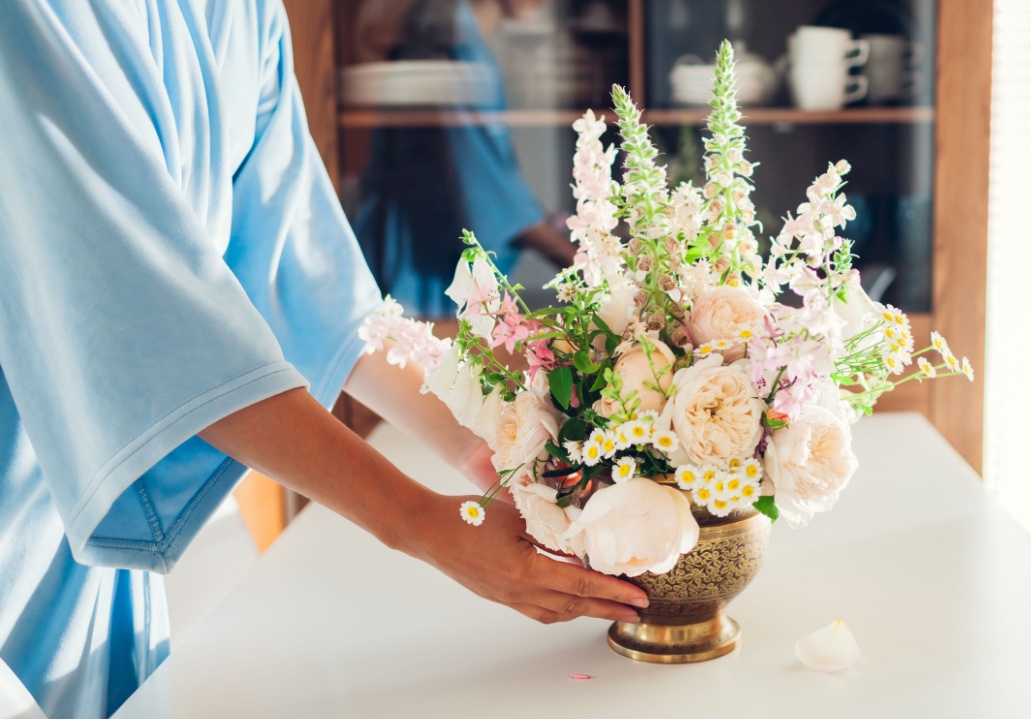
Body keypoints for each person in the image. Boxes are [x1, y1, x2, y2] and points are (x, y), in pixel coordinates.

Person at [0, 1, 645, 717]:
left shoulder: (242, 12)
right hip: (32, 493)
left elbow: (308, 283)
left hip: (137, 465)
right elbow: (159, 324)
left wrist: (497, 444)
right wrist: (428, 526)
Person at [351, 0, 578, 318]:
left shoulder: (467, 41)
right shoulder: (451, 42)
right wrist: (581, 263)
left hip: (417, 240)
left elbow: (496, 179)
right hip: (418, 253)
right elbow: (488, 190)